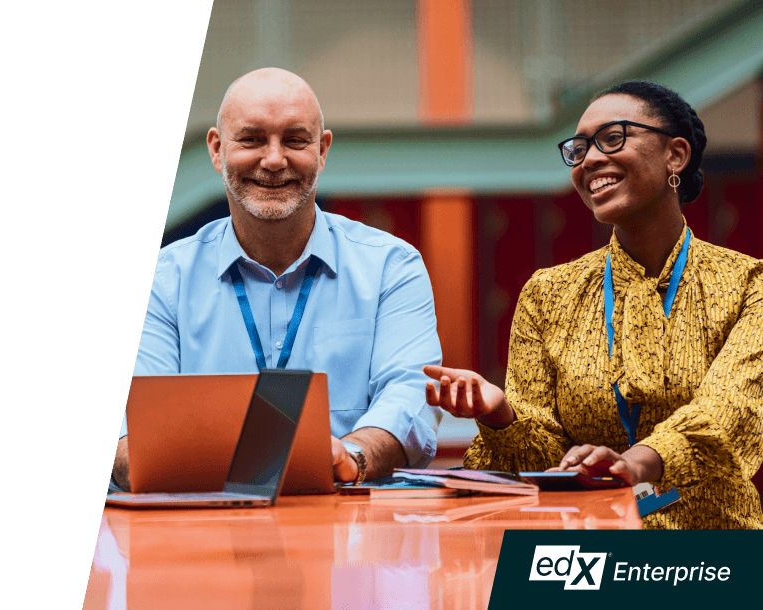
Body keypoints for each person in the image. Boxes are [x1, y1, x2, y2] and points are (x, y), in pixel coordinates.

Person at [424, 81, 762, 529]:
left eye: (613, 138)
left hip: (709, 554)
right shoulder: (548, 293)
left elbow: (731, 414)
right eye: (579, 147)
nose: (590, 159)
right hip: (585, 553)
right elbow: (542, 463)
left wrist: (637, 464)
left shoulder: (747, 284)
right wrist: (500, 415)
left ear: (675, 156)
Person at [112, 68, 442, 490]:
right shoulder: (161, 281)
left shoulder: (391, 268)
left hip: (353, 527)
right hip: (198, 528)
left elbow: (411, 395)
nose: (273, 160)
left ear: (322, 151)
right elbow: (129, 437)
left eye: (295, 140)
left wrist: (350, 456)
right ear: (216, 150)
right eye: (251, 139)